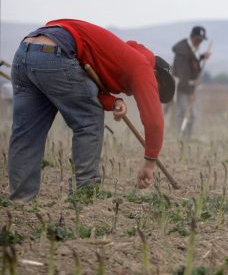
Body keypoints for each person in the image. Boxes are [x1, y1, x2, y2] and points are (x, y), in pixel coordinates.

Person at [7, 19, 175, 202]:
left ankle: (20, 200)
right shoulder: (143, 66)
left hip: (26, 51)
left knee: (26, 132)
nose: (148, 91)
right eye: (156, 89)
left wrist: (112, 102)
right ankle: (86, 193)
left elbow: (85, 84)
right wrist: (150, 163)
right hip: (56, 53)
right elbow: (154, 121)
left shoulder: (118, 56)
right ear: (155, 74)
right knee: (89, 121)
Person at [172, 26, 212, 139]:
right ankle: (181, 138)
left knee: (192, 115)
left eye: (201, 40)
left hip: (189, 87)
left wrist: (202, 57)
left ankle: (187, 138)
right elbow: (183, 73)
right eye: (198, 40)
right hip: (183, 87)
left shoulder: (190, 49)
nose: (199, 43)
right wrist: (190, 92)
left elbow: (192, 63)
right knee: (183, 113)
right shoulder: (182, 51)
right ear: (192, 37)